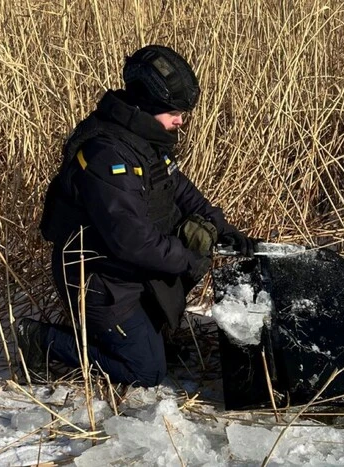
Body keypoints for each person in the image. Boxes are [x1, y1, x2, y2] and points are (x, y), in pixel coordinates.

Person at [16, 45, 256, 388]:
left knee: (184, 258)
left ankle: (139, 336)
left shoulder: (143, 140)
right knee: (146, 372)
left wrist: (224, 230)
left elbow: (180, 191)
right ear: (147, 106)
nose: (180, 121)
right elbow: (133, 240)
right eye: (173, 112)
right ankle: (43, 339)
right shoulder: (106, 155)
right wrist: (188, 257)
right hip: (97, 278)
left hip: (127, 272)